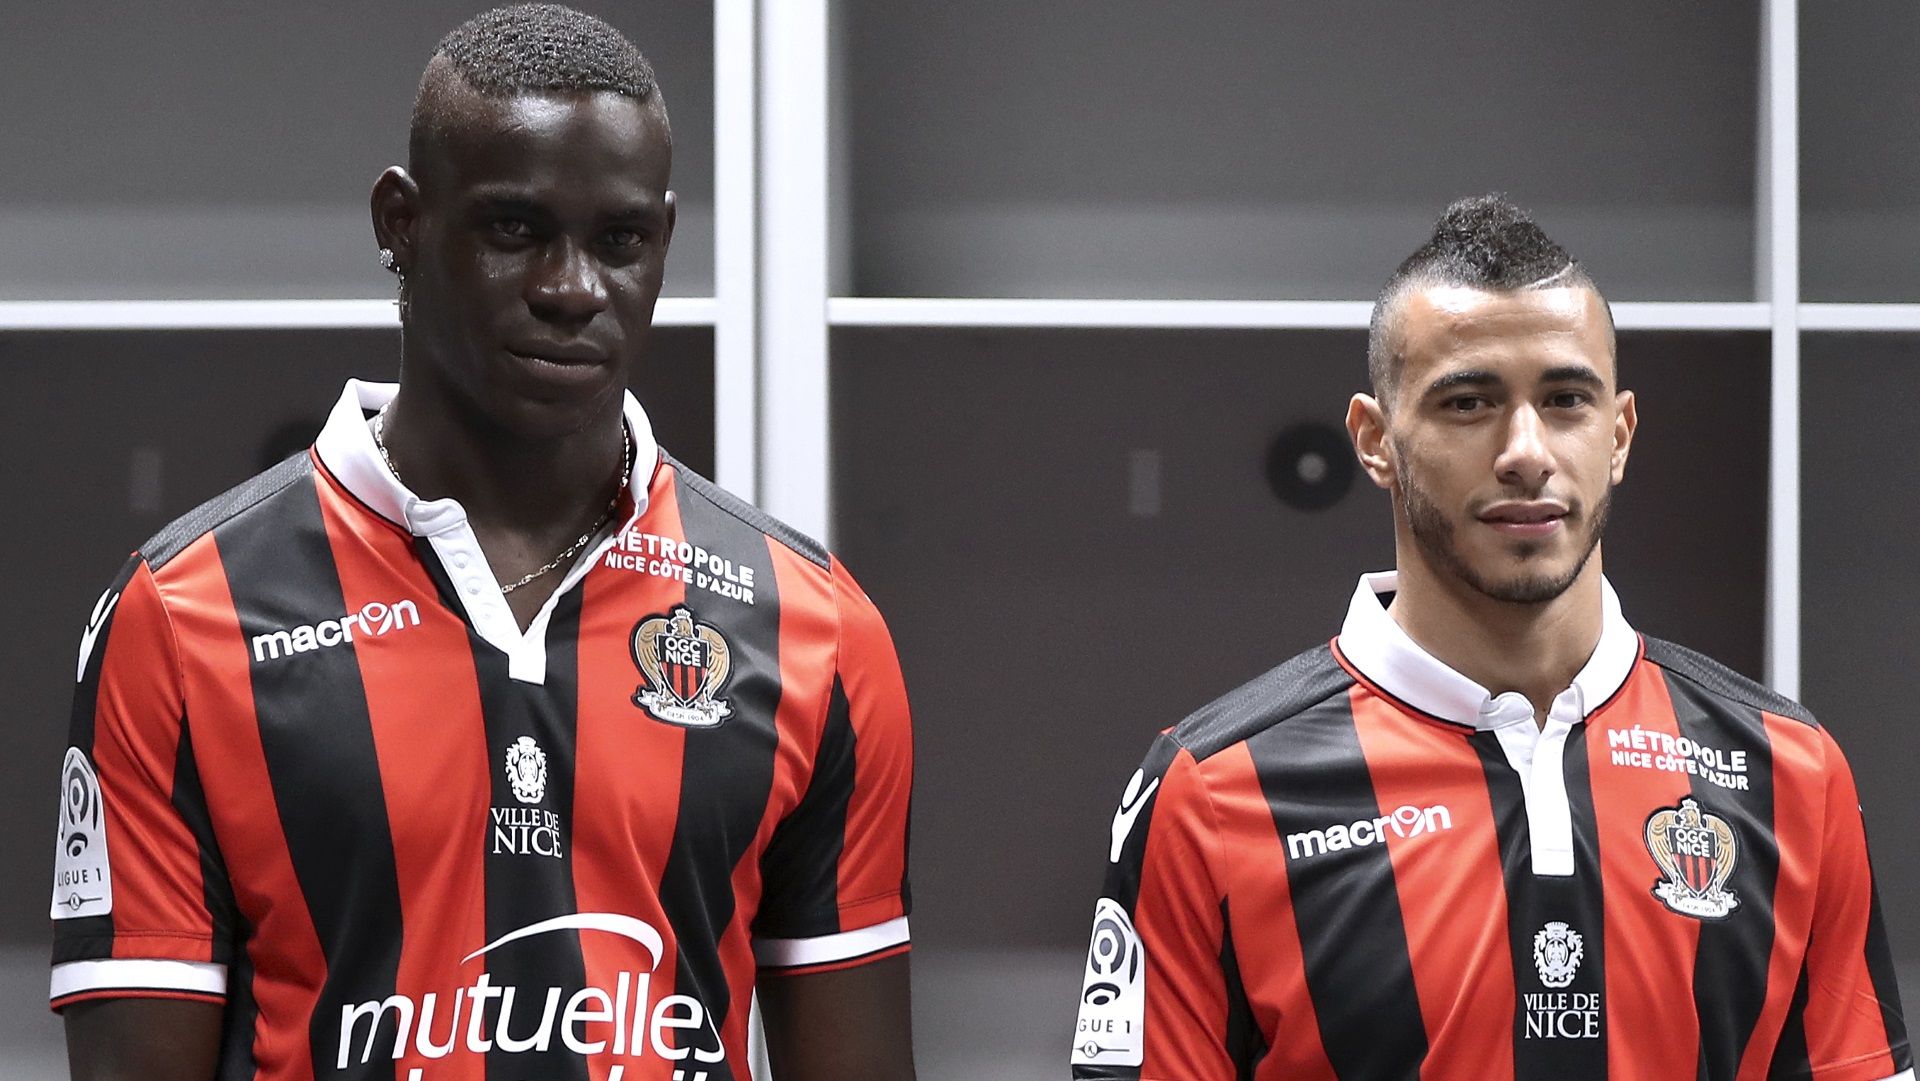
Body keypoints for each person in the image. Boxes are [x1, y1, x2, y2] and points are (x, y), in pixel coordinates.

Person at [50, 7, 915, 1080]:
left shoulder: (817, 630)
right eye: (515, 230)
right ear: (400, 224)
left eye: (620, 240)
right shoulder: (182, 617)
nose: (570, 289)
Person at [1071, 195, 1910, 1080]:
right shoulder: (1211, 790)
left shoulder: (1792, 770)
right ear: (1375, 440)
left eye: (1566, 399)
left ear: (1618, 434)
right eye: (1469, 402)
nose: (1526, 449)